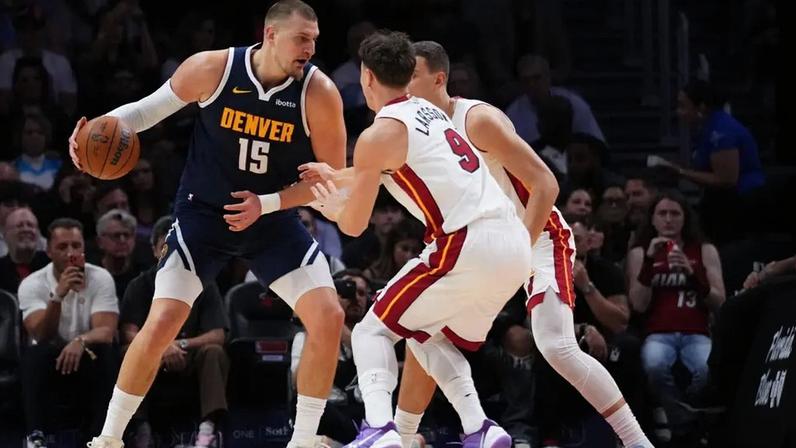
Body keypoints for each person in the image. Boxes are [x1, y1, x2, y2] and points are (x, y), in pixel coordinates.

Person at [68, 2, 347, 447]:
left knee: (329, 317)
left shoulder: (320, 93)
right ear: (270, 35)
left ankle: (303, 439)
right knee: (162, 320)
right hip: (204, 216)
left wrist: (268, 203)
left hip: (271, 219)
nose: (310, 48)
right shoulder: (213, 68)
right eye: (301, 38)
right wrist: (93, 134)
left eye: (314, 39)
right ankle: (109, 437)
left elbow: (333, 180)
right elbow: (143, 113)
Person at [398, 41, 652, 448]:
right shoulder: (413, 130)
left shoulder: (477, 118)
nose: (403, 84)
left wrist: (516, 249)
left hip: (536, 236)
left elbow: (546, 184)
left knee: (556, 346)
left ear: (439, 78)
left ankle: (638, 442)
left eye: (412, 75)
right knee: (420, 326)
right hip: (479, 244)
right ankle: (403, 436)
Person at [306, 31, 534, 448]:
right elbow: (394, 166)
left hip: (468, 242)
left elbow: (354, 226)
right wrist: (339, 175)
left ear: (367, 78)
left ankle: (379, 429)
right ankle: (480, 428)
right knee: (425, 333)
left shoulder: (378, 135)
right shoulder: (431, 112)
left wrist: (332, 208)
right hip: (514, 245)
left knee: (370, 331)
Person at [119, 216, 229, 448]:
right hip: (152, 357)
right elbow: (128, 332)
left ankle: (207, 431)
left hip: (189, 356)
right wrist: (161, 347)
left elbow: (217, 334)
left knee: (213, 352)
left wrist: (180, 345)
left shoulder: (205, 283)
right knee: (129, 351)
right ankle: (140, 428)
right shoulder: (139, 285)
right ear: (154, 250)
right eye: (165, 247)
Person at [626, 191, 725, 443]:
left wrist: (693, 274)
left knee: (706, 370)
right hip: (658, 333)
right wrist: (649, 262)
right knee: (654, 365)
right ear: (653, 219)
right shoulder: (640, 252)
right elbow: (638, 305)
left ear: (685, 218)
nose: (668, 219)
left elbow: (720, 301)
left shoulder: (704, 250)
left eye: (675, 213)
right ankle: (687, 424)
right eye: (662, 213)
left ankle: (675, 416)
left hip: (697, 332)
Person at [18, 218, 119, 447]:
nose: (71, 252)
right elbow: (41, 334)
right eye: (63, 247)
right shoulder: (32, 284)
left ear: (84, 247)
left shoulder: (100, 277)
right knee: (34, 354)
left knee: (107, 352)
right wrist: (58, 296)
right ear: (49, 251)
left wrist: (80, 341)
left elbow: (106, 331)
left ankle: (101, 437)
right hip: (52, 356)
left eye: (76, 245)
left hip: (87, 354)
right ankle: (36, 436)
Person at [0, 207, 49, 293]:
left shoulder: (52, 265)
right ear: (5, 234)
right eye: (19, 226)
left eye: (30, 225)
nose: (26, 229)